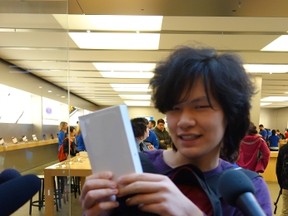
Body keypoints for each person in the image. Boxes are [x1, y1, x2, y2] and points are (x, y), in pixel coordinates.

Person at [80, 46, 272, 215]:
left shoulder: (248, 193)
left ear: (230, 116)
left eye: (201, 106)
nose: (184, 121)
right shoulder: (135, 169)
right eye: (174, 108)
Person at [276, 142, 288, 216]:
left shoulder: (283, 149)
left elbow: (278, 169)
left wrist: (282, 185)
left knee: (285, 211)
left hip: (286, 185)